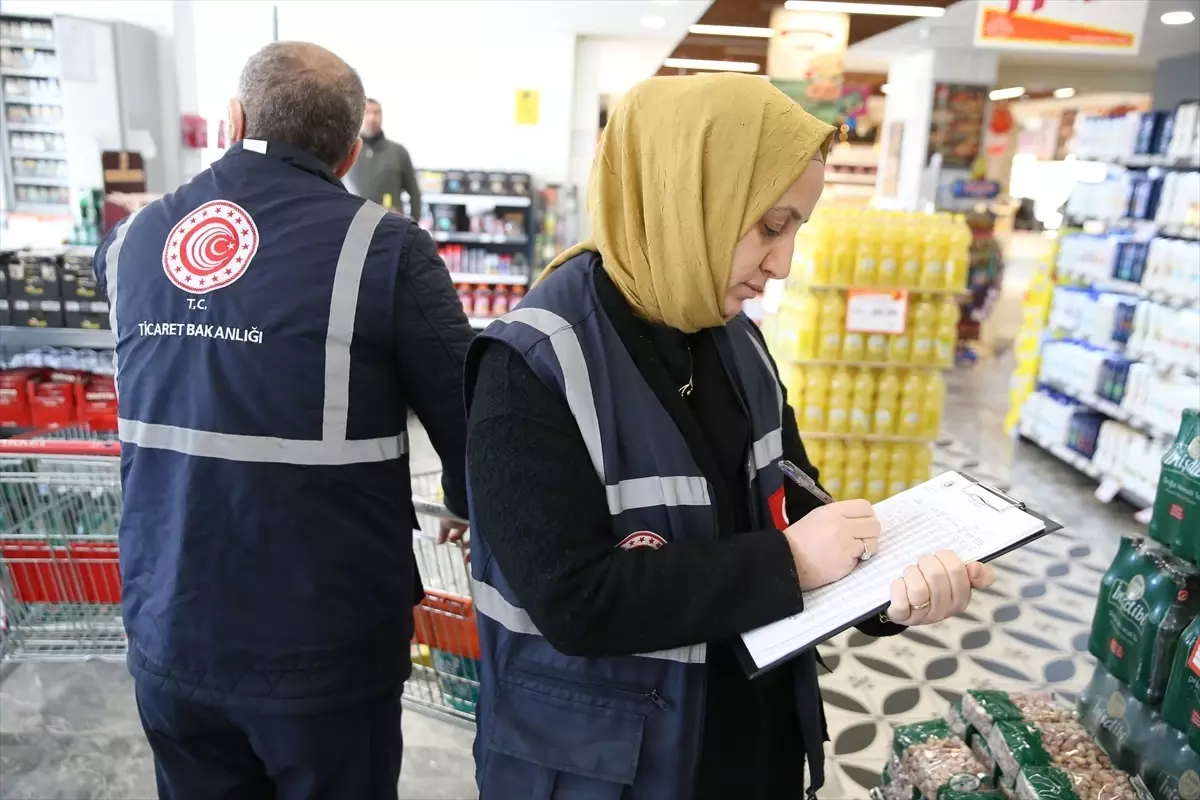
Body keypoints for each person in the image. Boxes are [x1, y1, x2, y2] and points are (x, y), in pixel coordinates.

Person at [463, 73, 996, 799]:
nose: (783, 265)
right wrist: (786, 564)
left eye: (796, 230)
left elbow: (795, 501)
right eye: (770, 227)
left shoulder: (732, 341)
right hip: (606, 771)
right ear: (687, 198)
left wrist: (886, 589)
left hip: (747, 746)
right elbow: (576, 602)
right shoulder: (529, 366)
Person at [93, 41, 473, 800]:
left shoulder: (132, 242)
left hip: (171, 627)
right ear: (348, 153)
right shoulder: (385, 249)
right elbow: (473, 413)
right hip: (322, 651)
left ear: (232, 121)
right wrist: (465, 500)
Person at [347, 98, 423, 218]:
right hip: (352, 223)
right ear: (360, 116)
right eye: (367, 112)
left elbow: (414, 192)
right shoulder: (347, 151)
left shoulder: (398, 152)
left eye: (376, 113)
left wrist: (414, 225)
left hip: (389, 225)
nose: (372, 118)